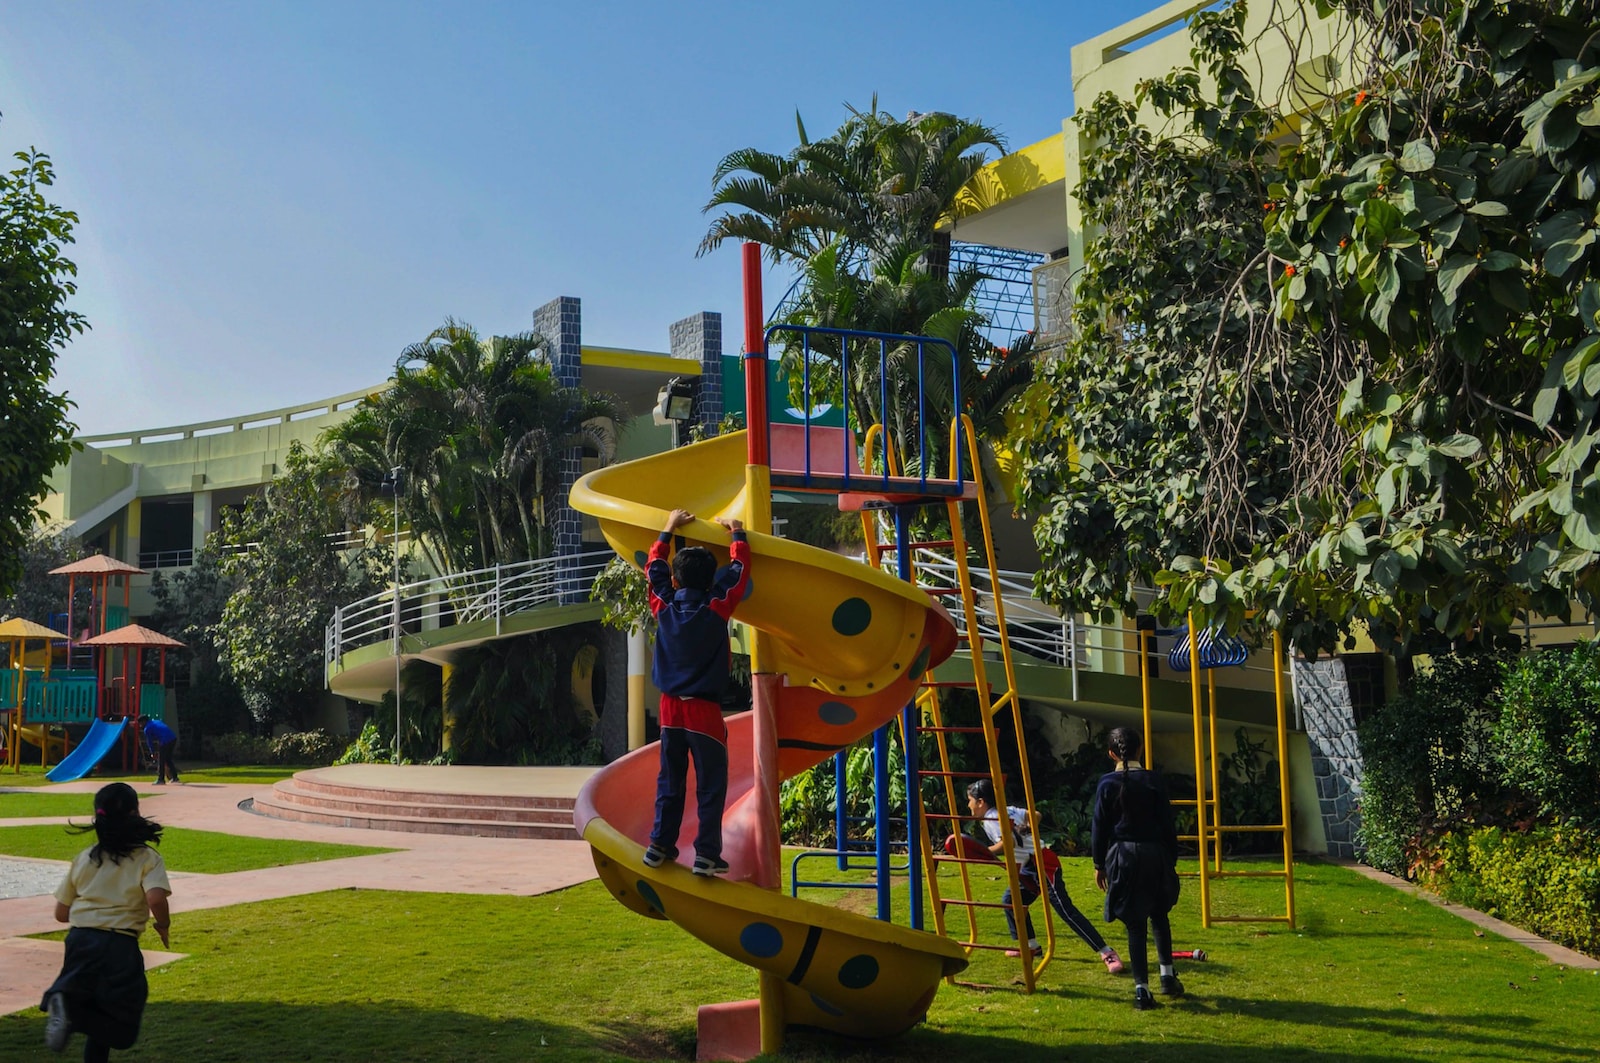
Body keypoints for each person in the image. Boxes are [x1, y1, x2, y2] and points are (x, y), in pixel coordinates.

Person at [641, 508, 751, 877]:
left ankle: (659, 845)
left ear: (675, 578)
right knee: (711, 785)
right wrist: (737, 534)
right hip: (703, 710)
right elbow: (738, 575)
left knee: (670, 779)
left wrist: (669, 527)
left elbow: (653, 566)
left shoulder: (664, 605)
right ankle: (705, 854)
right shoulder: (716, 606)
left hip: (670, 708)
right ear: (709, 582)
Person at [40, 782, 172, 1061]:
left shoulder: (85, 858)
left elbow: (61, 913)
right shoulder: (146, 857)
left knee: (97, 1012)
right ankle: (70, 1013)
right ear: (136, 813)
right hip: (118, 945)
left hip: (79, 941)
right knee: (123, 1024)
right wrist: (163, 924)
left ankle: (64, 1003)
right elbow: (156, 898)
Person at [956, 777, 1124, 972]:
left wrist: (984, 851)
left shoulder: (992, 818)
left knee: (1065, 911)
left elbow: (1007, 844)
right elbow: (1036, 815)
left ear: (981, 802)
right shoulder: (1008, 809)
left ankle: (1107, 952)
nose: (968, 805)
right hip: (1029, 865)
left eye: (969, 800)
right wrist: (1026, 828)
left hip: (1042, 864)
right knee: (1011, 900)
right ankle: (1031, 947)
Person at [1092, 726, 1183, 1011]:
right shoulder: (1154, 780)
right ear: (1140, 750)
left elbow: (1099, 828)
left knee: (1135, 923)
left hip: (1123, 856)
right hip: (1155, 852)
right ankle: (1167, 976)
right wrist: (1170, 859)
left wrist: (1099, 864)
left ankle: (1142, 990)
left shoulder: (1107, 784)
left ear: (1110, 754)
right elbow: (1168, 824)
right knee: (1159, 914)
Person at [139, 718, 180, 785]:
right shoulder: (156, 721)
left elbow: (150, 742)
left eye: (140, 723)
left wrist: (152, 753)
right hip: (173, 738)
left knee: (161, 760)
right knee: (168, 759)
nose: (140, 726)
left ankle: (161, 779)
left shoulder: (147, 729)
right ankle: (175, 777)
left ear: (144, 721)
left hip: (165, 741)